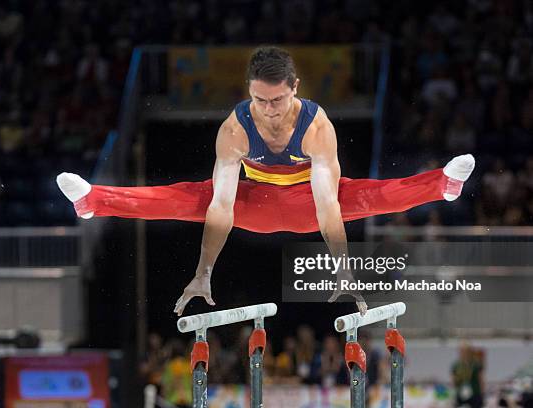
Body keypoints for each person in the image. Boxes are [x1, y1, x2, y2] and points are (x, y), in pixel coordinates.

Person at [56, 47, 475, 316]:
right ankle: (94, 200)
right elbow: (222, 206)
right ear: (249, 93)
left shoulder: (316, 125)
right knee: (191, 197)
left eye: (277, 99)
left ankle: (442, 185)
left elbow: (328, 204)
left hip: (310, 205)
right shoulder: (235, 129)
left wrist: (343, 268)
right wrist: (204, 271)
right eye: (260, 100)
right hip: (250, 206)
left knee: (365, 195)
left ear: (295, 87)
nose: (269, 110)